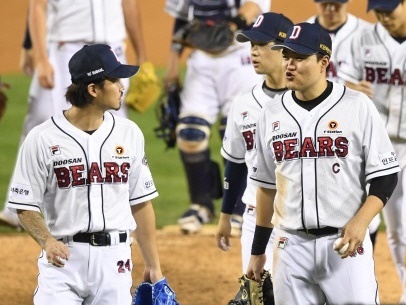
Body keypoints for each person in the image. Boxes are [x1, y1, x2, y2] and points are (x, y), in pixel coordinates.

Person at [247, 22, 400, 305]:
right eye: (286, 57)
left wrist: (360, 223)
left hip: (345, 246)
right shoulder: (270, 114)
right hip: (290, 248)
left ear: (323, 63)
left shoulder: (357, 106)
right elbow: (267, 187)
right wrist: (258, 251)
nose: (290, 65)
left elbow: (386, 176)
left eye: (300, 58)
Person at [7, 44, 164, 304]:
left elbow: (141, 202)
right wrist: (46, 241)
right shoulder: (42, 138)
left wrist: (154, 265)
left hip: (115, 263)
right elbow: (24, 204)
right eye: (115, 80)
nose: (123, 86)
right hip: (63, 262)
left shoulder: (130, 133)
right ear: (93, 89)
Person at [0, 0, 149, 230]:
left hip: (112, 52)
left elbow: (129, 4)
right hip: (63, 49)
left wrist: (143, 57)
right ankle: (17, 206)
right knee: (39, 121)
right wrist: (41, 58)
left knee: (117, 130)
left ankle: (124, 208)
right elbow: (38, 6)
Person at [163, 0, 269, 234]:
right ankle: (201, 205)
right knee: (190, 133)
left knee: (238, 133)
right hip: (201, 59)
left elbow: (256, 5)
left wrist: (233, 25)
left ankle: (241, 206)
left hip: (240, 56)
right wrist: (173, 63)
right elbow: (181, 19)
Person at [337, 0, 406, 302]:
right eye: (377, 12)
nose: (382, 18)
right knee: (389, 227)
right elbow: (338, 80)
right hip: (377, 148)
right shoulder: (361, 39)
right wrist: (349, 84)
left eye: (389, 11)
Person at [215, 12, 293, 275]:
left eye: (262, 45)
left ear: (285, 49)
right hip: (253, 216)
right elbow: (235, 164)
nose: (254, 52)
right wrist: (226, 215)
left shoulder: (311, 101)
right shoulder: (243, 103)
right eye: (252, 45)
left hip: (299, 217)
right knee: (258, 294)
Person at [307, 0, 382, 247]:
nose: (330, 9)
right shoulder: (302, 33)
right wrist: (343, 87)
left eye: (336, 3)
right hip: (312, 129)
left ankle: (361, 258)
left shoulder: (367, 34)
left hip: (357, 132)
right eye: (325, 3)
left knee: (365, 208)